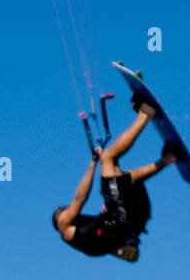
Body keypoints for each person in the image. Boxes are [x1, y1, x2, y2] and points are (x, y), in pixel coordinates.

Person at [52, 95, 182, 262]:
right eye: (65, 211)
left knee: (120, 179)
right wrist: (93, 163)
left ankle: (170, 158)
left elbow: (129, 256)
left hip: (136, 219)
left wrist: (132, 248)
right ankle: (145, 115)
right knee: (108, 159)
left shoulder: (92, 245)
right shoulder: (63, 225)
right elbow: (80, 198)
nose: (68, 211)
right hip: (121, 216)